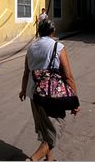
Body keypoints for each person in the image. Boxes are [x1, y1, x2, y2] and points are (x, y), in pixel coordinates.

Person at [19, 20, 80, 161]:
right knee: (55, 132)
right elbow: (68, 76)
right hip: (53, 96)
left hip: (34, 94)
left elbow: (26, 73)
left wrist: (23, 91)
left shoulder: (31, 48)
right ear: (53, 31)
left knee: (45, 129)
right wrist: (75, 101)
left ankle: (50, 159)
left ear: (39, 31)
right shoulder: (58, 47)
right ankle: (33, 159)